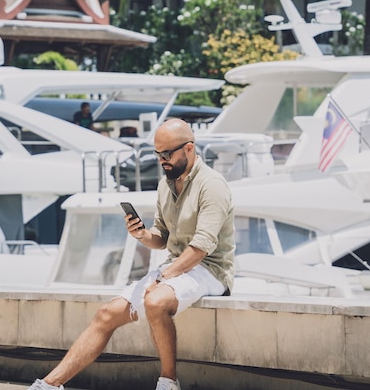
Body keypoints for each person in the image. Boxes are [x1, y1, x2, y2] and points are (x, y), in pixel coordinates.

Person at [27, 119, 235, 390]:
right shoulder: (167, 183)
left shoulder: (213, 185)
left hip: (211, 270)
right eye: (157, 154)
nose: (162, 160)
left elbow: (201, 249)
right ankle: (50, 385)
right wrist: (141, 235)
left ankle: (169, 382)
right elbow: (162, 238)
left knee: (156, 301)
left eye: (167, 154)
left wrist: (162, 276)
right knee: (106, 313)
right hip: (178, 266)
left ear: (189, 148)